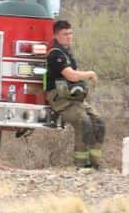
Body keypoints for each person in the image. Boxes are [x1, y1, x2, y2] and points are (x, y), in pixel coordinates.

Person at [45, 19, 105, 169]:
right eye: (65, 34)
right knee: (83, 122)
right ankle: (81, 165)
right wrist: (89, 74)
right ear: (56, 36)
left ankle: (95, 163)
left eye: (70, 33)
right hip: (60, 98)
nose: (69, 37)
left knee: (98, 122)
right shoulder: (55, 54)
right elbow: (70, 75)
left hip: (74, 96)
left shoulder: (67, 52)